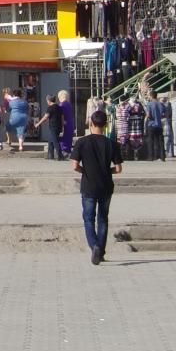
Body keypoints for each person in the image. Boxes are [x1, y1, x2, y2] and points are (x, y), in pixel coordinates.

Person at [71, 109, 123, 265]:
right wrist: (107, 171)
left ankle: (95, 246)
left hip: (88, 185)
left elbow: (75, 166)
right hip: (106, 185)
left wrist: (85, 171)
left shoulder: (82, 142)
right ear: (105, 125)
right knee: (103, 219)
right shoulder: (111, 144)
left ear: (91, 124)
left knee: (88, 219)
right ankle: (100, 251)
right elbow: (119, 169)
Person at [35, 94, 64, 161]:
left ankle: (60, 156)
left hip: (53, 126)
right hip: (58, 126)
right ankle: (50, 155)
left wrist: (38, 123)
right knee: (51, 141)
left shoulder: (50, 108)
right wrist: (62, 126)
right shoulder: (59, 107)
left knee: (55, 141)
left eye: (47, 100)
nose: (47, 102)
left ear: (49, 100)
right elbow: (62, 117)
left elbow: (45, 117)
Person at [144, 92, 167, 162]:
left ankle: (151, 157)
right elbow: (164, 114)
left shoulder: (149, 104)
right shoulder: (161, 104)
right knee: (160, 141)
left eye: (148, 96)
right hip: (159, 124)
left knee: (150, 141)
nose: (148, 97)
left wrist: (146, 118)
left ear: (151, 96)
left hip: (151, 124)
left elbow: (148, 115)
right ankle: (162, 157)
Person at [58, 90, 75, 158]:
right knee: (68, 139)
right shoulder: (68, 104)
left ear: (60, 96)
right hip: (70, 124)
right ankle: (68, 152)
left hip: (64, 124)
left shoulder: (61, 105)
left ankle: (64, 152)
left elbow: (61, 116)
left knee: (63, 139)